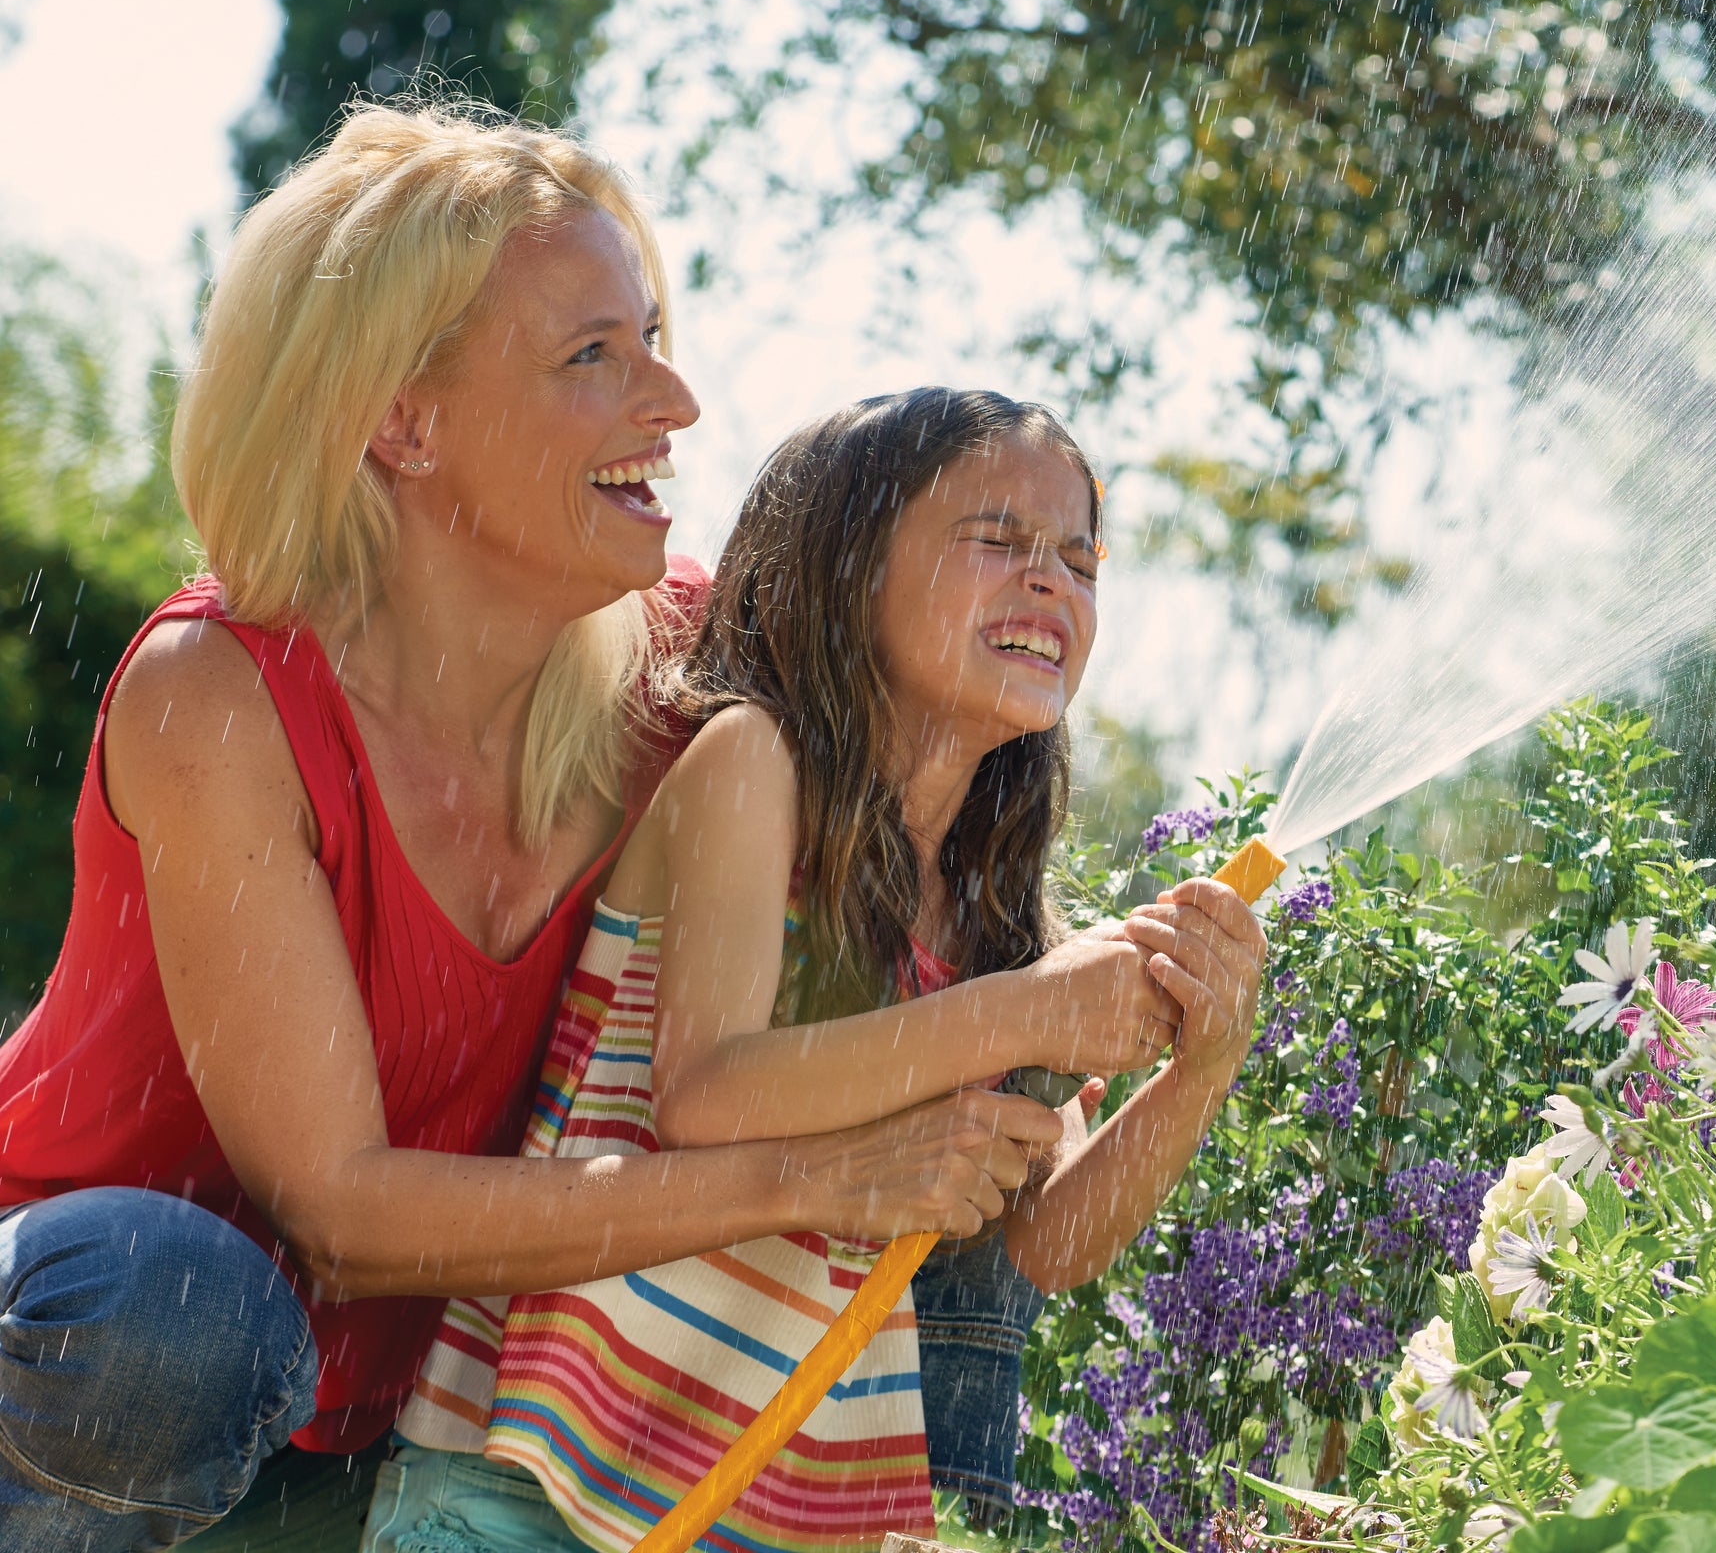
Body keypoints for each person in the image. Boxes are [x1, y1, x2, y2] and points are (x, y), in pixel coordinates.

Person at [0, 107, 1105, 1553]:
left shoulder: (684, 681)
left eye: (654, 335)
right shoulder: (220, 698)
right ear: (404, 417)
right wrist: (805, 1179)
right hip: (103, 1368)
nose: (679, 401)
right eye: (598, 356)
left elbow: (923, 748)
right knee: (184, 1315)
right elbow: (338, 1211)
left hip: (414, 1430)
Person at [360, 390, 1267, 1553]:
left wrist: (1202, 1062)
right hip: (527, 1484)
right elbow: (709, 1092)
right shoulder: (755, 761)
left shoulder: (999, 917)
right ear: (846, 568)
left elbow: (1048, 1242)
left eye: (1081, 562)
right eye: (997, 539)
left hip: (752, 1518)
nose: (1051, 582)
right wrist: (1028, 1011)